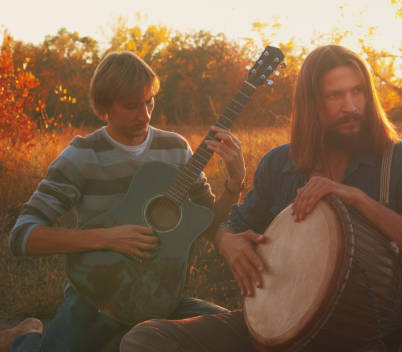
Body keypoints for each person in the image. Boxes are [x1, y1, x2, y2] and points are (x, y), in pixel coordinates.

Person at [120, 44, 402, 351]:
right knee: (146, 339)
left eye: (358, 92)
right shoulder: (279, 163)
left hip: (361, 337)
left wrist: (358, 199)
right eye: (335, 95)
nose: (351, 106)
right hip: (275, 332)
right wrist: (226, 241)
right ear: (311, 104)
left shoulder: (400, 161)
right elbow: (229, 224)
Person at [1, 51, 246, 352]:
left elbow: (209, 223)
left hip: (160, 298)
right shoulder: (82, 156)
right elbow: (23, 236)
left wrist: (234, 183)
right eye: (131, 106)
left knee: (241, 334)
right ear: (104, 107)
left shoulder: (175, 149)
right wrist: (107, 238)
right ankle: (26, 335)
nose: (144, 115)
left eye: (149, 101)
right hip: (96, 298)